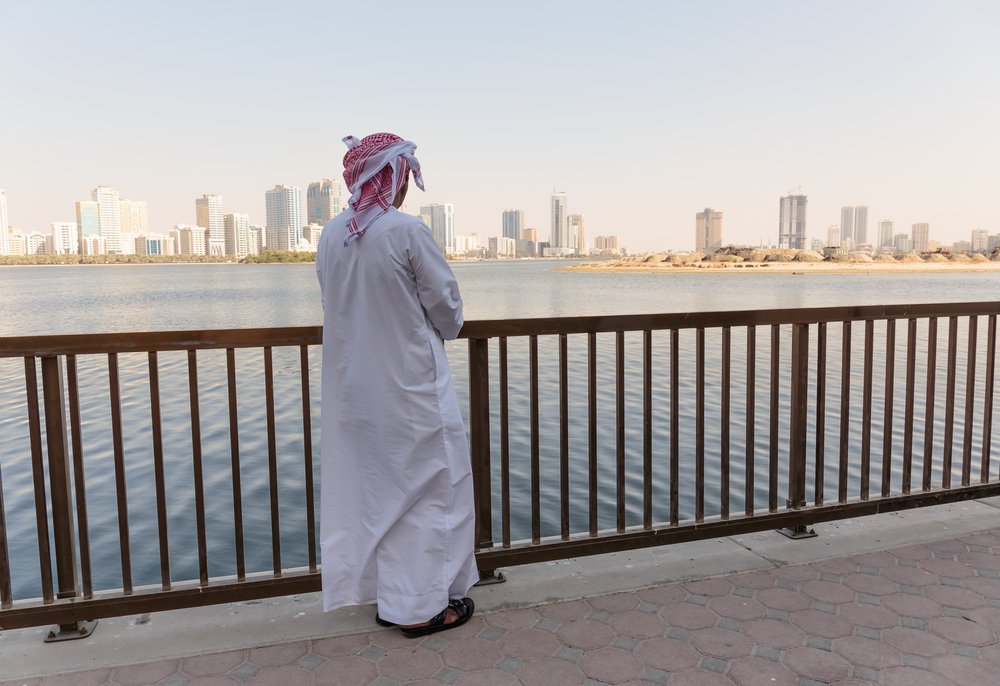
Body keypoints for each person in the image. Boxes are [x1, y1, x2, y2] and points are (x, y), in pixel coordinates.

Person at [316, 132, 478, 638]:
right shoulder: (406, 231)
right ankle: (421, 608)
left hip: (352, 389)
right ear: (393, 177)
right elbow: (447, 311)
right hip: (410, 390)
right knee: (433, 492)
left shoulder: (331, 233)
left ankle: (389, 595)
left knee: (375, 493)